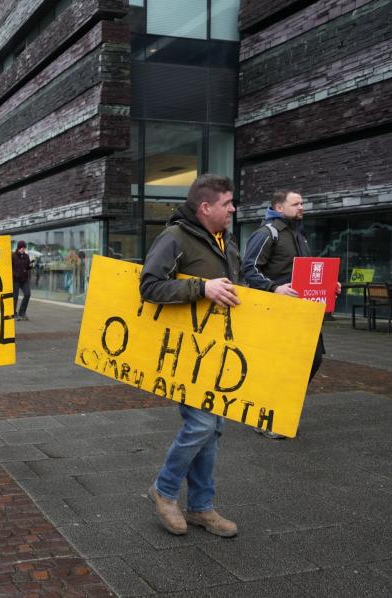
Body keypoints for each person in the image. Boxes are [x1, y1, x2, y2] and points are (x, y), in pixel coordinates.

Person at [139, 174, 241, 538]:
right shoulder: (174, 237)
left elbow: (237, 288)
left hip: (216, 353)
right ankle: (164, 491)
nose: (233, 208)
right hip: (185, 353)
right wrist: (201, 288)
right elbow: (149, 286)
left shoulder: (225, 241)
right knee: (200, 425)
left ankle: (201, 507)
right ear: (205, 207)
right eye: (228, 203)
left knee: (213, 430)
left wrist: (278, 290)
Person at [241, 190, 339, 439]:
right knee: (278, 365)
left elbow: (305, 273)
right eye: (296, 203)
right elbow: (249, 268)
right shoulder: (267, 233)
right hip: (277, 312)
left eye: (303, 203)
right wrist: (275, 287)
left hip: (303, 312)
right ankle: (265, 417)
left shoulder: (299, 234)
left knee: (313, 359)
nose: (302, 207)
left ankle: (281, 407)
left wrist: (329, 285)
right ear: (279, 207)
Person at [11, 241, 32, 321]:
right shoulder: (13, 256)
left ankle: (22, 312)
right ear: (19, 248)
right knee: (15, 297)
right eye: (22, 248)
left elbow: (27, 267)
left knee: (27, 294)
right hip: (16, 279)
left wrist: (30, 266)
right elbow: (10, 267)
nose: (23, 249)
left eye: (24, 248)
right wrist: (14, 274)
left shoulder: (26, 256)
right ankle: (13, 313)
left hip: (24, 279)